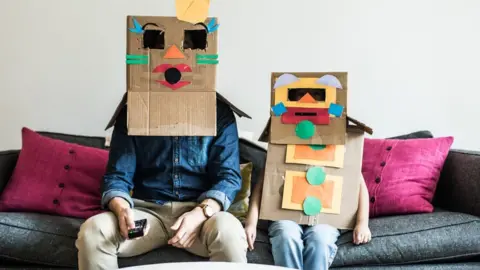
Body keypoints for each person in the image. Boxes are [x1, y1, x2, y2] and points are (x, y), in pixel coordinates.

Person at [75, 100, 248, 270]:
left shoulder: (218, 112)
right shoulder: (133, 112)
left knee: (229, 231)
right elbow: (117, 176)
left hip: (201, 218)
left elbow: (228, 178)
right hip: (146, 216)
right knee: (93, 232)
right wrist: (122, 209)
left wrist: (201, 213)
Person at [244, 171, 372, 270]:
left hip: (326, 218)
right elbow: (261, 187)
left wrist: (362, 223)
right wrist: (251, 223)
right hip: (284, 215)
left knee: (320, 240)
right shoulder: (282, 143)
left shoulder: (344, 146)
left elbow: (359, 184)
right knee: (286, 236)